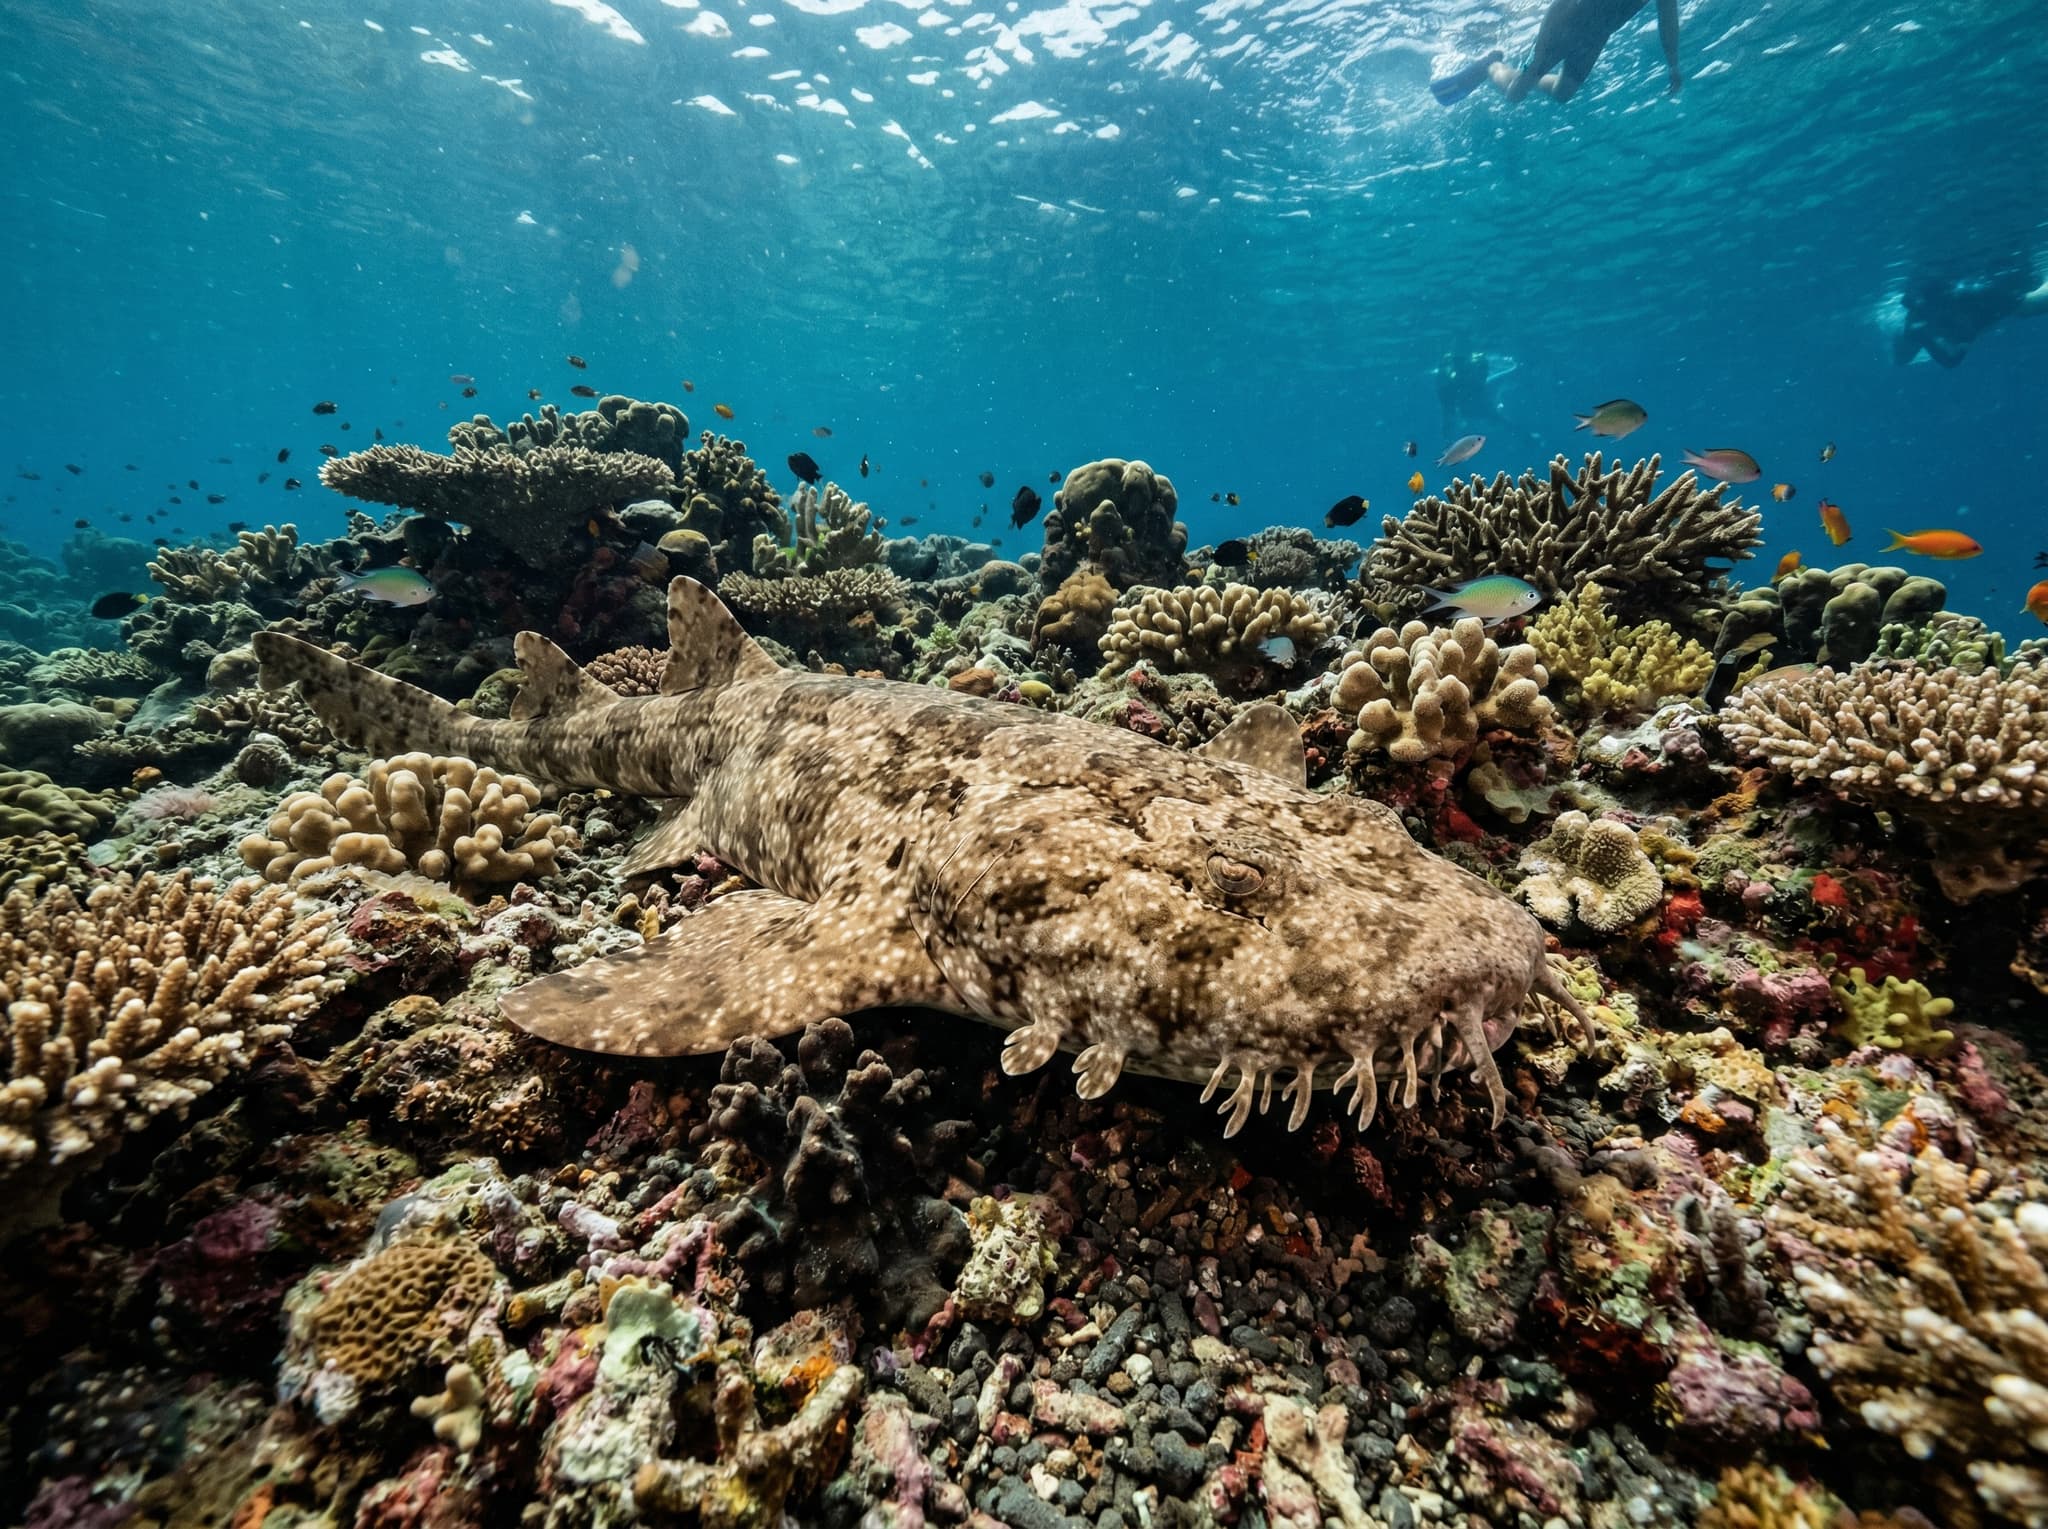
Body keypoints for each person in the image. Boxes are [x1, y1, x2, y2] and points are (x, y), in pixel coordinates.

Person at [1431, 0, 1680, 106]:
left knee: (1563, 93)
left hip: (1595, 38)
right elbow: (1560, 4)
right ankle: (1492, 65)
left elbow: (1668, 20)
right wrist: (1539, 53)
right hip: (1564, 28)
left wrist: (1673, 65)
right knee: (1515, 94)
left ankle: (1520, 73)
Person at [1891, 259, 2048, 368]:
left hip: (1972, 301)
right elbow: (1949, 359)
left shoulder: (1983, 299)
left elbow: (2032, 305)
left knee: (2027, 304)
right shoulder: (1921, 325)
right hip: (1963, 305)